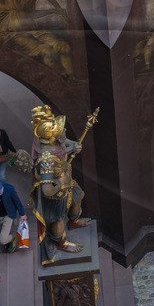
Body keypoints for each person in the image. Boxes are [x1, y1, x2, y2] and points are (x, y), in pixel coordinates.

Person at [29, 105, 95, 262]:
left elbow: (64, 142)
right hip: (56, 192)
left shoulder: (49, 139)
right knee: (58, 219)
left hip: (67, 179)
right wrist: (57, 186)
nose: (62, 130)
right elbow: (46, 189)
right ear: (50, 137)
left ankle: (72, 221)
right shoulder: (46, 159)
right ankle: (60, 242)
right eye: (58, 129)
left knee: (79, 196)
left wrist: (75, 145)